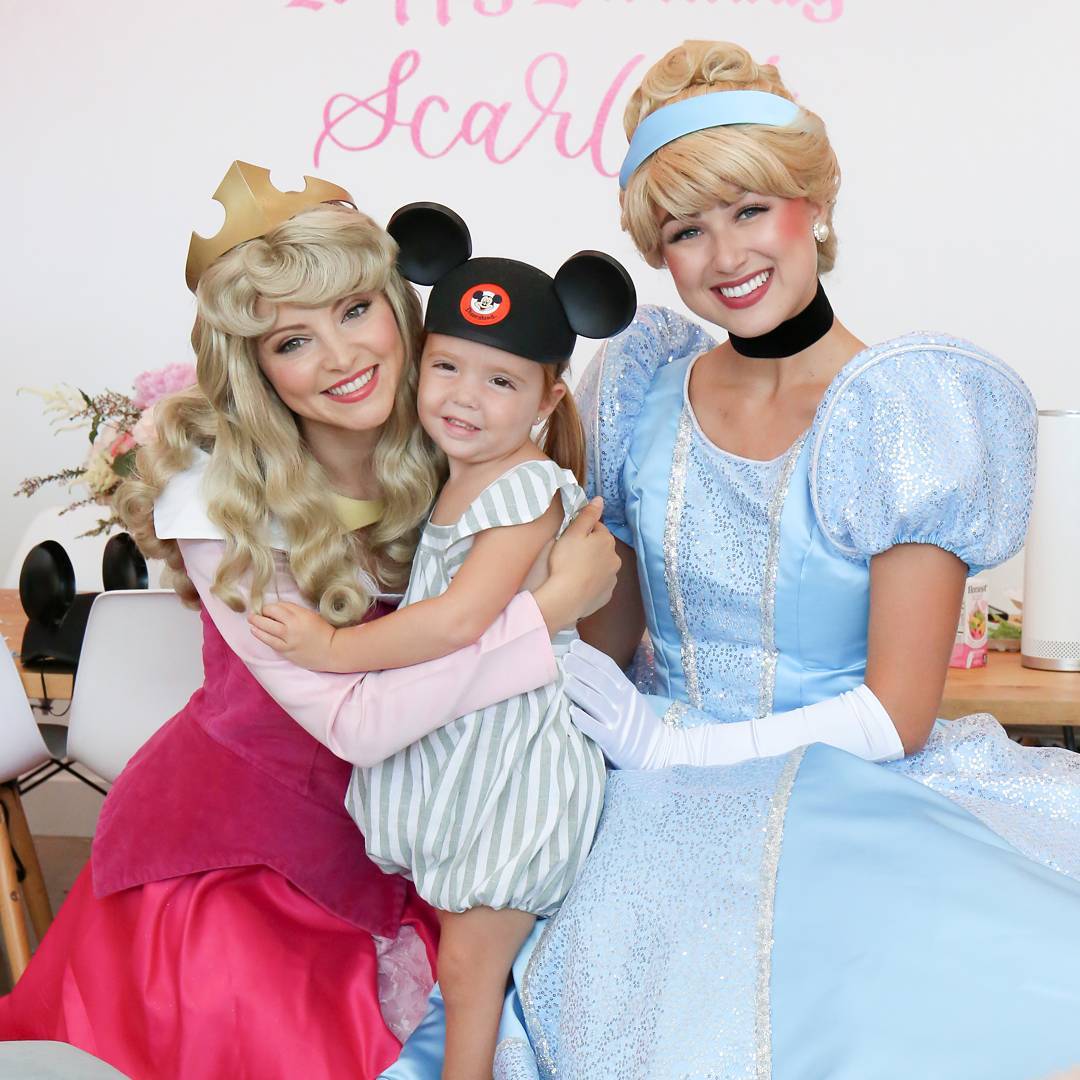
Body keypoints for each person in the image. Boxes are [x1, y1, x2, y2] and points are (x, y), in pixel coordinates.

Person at [388, 42, 1080, 1080]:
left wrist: (673, 747)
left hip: (843, 791)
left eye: (750, 210)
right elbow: (605, 641)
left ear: (815, 207)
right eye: (685, 230)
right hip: (642, 803)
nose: (723, 256)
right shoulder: (643, 390)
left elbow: (897, 716)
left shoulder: (901, 408)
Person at [0, 163, 619, 1080]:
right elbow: (357, 726)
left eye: (355, 310)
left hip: (438, 823)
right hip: (248, 853)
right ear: (252, 365)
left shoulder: (460, 432)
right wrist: (550, 610)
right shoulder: (213, 499)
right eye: (293, 339)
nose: (340, 357)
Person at [249, 202, 635, 1079]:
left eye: (500, 381)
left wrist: (334, 649)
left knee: (469, 969)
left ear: (549, 397)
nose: (464, 396)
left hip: (514, 762)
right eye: (447, 366)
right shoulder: (455, 477)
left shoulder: (523, 487)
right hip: (472, 741)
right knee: (461, 962)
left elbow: (463, 619)